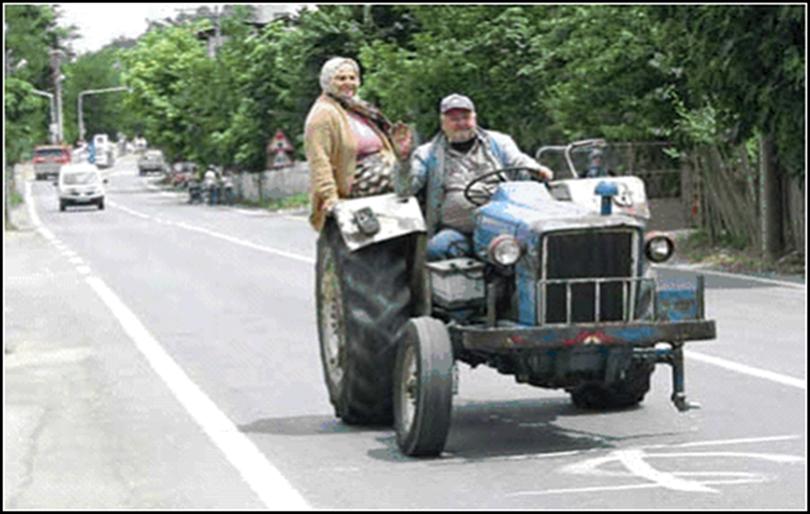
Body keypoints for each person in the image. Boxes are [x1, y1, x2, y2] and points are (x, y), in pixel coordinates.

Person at [408, 93, 554, 260]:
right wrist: (403, 161)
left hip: (503, 228)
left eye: (466, 117)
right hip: (460, 232)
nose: (462, 123)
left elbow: (518, 161)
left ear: (474, 118)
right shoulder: (427, 153)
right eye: (454, 119)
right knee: (437, 248)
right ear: (443, 123)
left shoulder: (499, 142)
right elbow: (408, 187)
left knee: (536, 244)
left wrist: (537, 169)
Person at [304, 56, 412, 232]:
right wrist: (330, 197)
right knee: (404, 178)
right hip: (355, 179)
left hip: (382, 166)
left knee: (420, 172)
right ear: (327, 82)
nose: (348, 83)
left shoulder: (358, 108)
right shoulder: (323, 114)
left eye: (352, 78)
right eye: (341, 78)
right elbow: (319, 160)